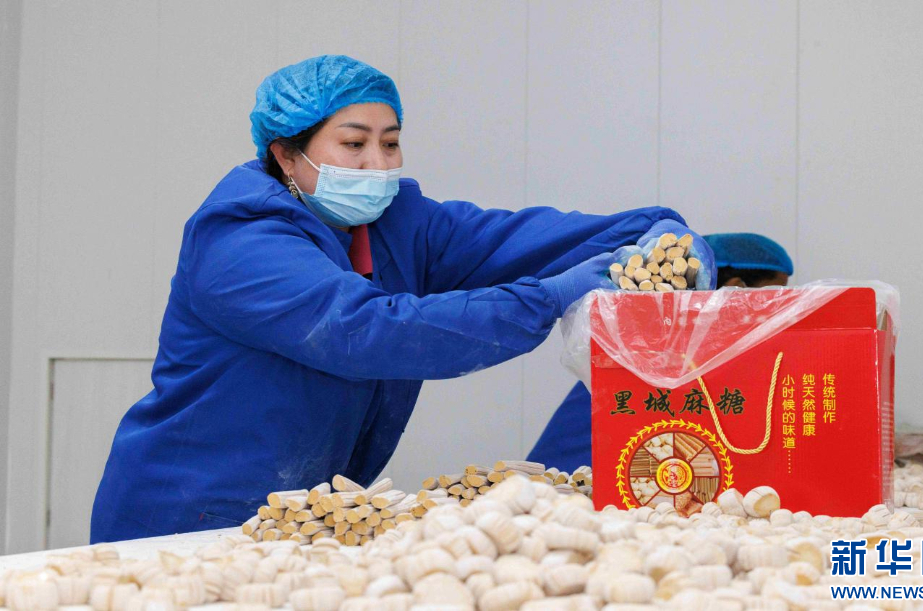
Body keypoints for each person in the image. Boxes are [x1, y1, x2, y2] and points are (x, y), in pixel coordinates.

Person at [90, 55, 716, 542]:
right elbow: (368, 331)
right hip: (189, 511)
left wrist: (660, 234)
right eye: (353, 144)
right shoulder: (239, 241)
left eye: (390, 143)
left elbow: (524, 239)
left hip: (307, 518)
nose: (377, 164)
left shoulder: (397, 224)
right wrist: (550, 298)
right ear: (285, 155)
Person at [526, 232, 793, 473]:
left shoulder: (654, 351)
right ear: (738, 288)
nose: (776, 306)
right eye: (773, 292)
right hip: (568, 489)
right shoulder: (668, 361)